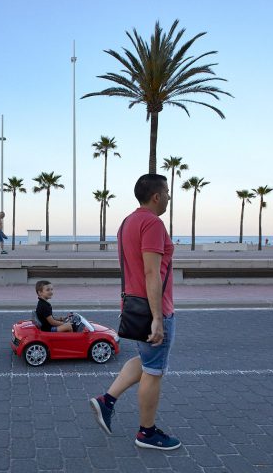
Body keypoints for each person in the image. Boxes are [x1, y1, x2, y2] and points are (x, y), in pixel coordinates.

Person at [89, 173, 181, 451]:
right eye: (166, 192)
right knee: (154, 371)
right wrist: (157, 319)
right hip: (153, 309)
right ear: (156, 196)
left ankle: (107, 401)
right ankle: (146, 433)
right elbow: (151, 272)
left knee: (146, 360)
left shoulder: (127, 222)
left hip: (133, 304)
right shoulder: (153, 223)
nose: (168, 197)